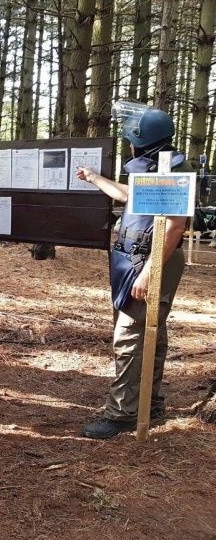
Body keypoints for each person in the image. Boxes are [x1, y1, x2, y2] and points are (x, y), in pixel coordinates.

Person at [77, 103, 193, 439]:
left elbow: (174, 225)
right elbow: (132, 195)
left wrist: (149, 273)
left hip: (151, 260)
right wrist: (97, 179)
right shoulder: (156, 165)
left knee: (130, 335)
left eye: (130, 137)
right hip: (137, 257)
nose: (128, 143)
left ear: (141, 140)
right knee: (150, 333)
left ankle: (123, 414)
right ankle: (150, 404)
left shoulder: (173, 169)